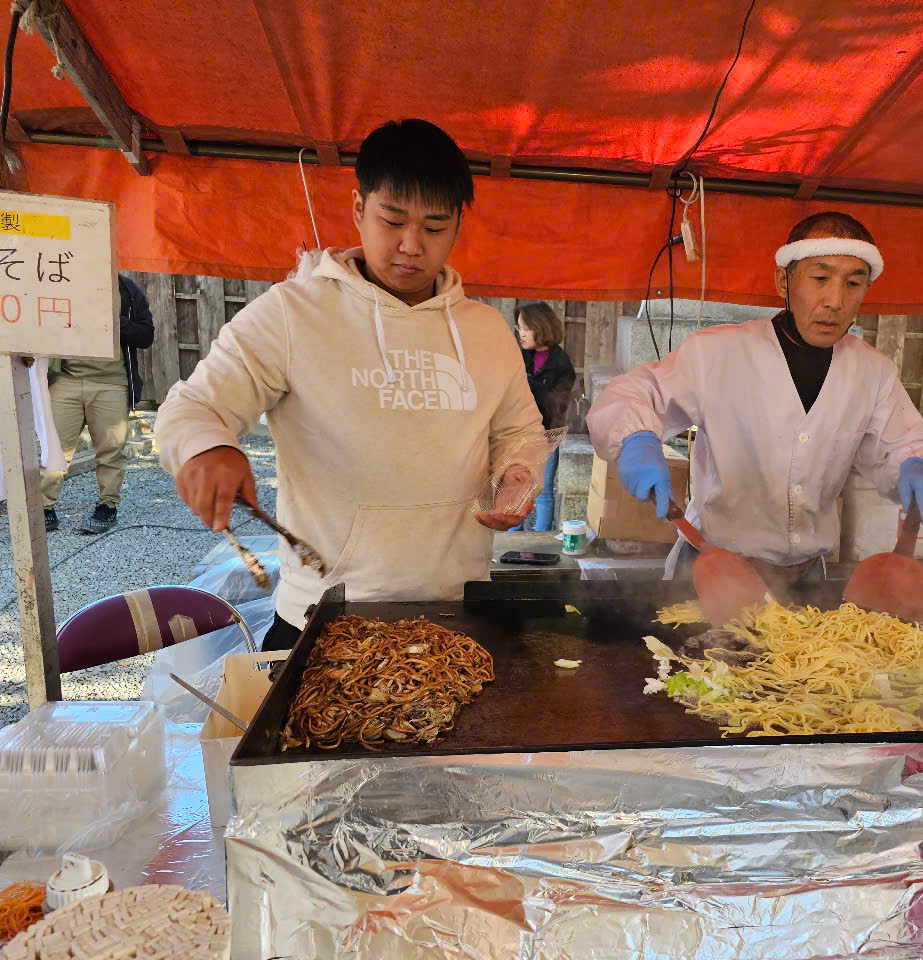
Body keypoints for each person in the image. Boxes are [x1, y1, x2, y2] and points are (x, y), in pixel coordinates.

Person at [155, 119, 546, 650]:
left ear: (458, 225)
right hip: (321, 615)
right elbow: (193, 405)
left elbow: (518, 429)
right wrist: (208, 447)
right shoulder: (294, 313)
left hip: (456, 608)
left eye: (434, 228)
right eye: (393, 220)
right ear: (359, 208)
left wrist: (518, 471)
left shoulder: (486, 331)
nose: (411, 246)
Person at [587, 211, 923, 591]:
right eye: (820, 278)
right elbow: (633, 393)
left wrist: (914, 465)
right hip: (715, 572)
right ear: (784, 280)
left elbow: (903, 446)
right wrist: (637, 439)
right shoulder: (718, 352)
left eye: (853, 283)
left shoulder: (874, 373)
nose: (835, 301)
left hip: (806, 581)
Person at [41, 273, 153, 534]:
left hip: (111, 381)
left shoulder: (126, 288)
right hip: (66, 378)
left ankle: (107, 507)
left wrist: (115, 323)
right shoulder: (61, 280)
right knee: (54, 447)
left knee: (111, 450)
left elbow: (146, 336)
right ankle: (44, 508)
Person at [514, 301, 575, 531]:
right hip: (520, 433)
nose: (521, 333)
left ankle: (539, 543)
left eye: (526, 328)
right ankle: (512, 537)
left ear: (541, 327)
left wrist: (528, 382)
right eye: (518, 327)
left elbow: (557, 403)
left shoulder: (562, 362)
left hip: (548, 433)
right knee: (517, 487)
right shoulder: (519, 356)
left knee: (544, 491)